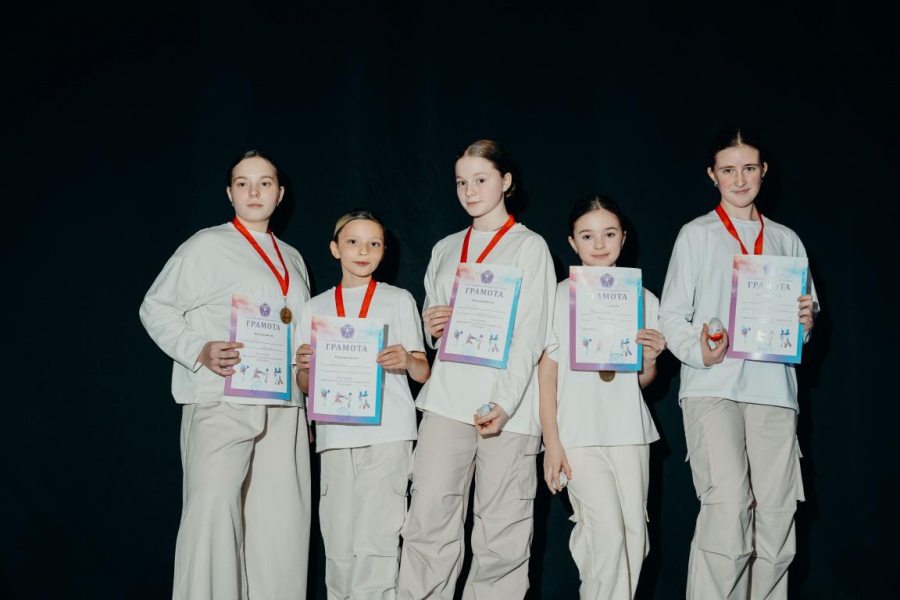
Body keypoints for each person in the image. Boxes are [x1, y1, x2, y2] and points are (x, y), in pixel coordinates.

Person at [139, 150, 311, 599]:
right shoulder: (206, 245)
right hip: (222, 398)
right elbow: (155, 307)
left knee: (280, 526)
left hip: (283, 406)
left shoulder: (293, 257)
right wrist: (197, 349)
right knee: (212, 517)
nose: (254, 192)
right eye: (242, 183)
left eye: (265, 183)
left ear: (280, 194)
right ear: (230, 193)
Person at [658, 128, 819, 599]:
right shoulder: (696, 234)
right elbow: (671, 315)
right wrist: (699, 350)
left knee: (777, 515)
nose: (740, 179)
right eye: (728, 170)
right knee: (727, 509)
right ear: (713, 175)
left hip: (774, 390)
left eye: (749, 168)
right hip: (714, 386)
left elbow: (804, 319)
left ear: (764, 171)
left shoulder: (787, 240)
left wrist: (805, 321)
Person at [397, 140, 556, 599]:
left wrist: (504, 403)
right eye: (461, 182)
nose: (469, 191)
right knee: (428, 519)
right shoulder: (446, 248)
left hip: (510, 407)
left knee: (502, 533)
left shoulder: (530, 247)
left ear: (506, 181)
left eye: (480, 180)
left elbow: (531, 333)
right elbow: (435, 321)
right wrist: (433, 325)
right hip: (448, 400)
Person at [295, 210, 430, 599]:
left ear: (384, 251)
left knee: (379, 534)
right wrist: (305, 368)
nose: (363, 251)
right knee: (338, 535)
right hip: (335, 436)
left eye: (374, 243)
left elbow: (423, 371)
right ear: (335, 248)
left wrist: (406, 360)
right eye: (353, 242)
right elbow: (304, 385)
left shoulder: (398, 300)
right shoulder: (315, 307)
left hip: (388, 432)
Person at [538, 195, 667, 599]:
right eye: (587, 235)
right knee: (605, 534)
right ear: (572, 242)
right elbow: (546, 375)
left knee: (634, 536)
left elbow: (641, 381)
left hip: (629, 433)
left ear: (624, 238)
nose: (599, 244)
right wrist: (551, 442)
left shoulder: (644, 299)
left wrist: (651, 358)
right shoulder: (557, 297)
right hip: (577, 435)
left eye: (609, 234)